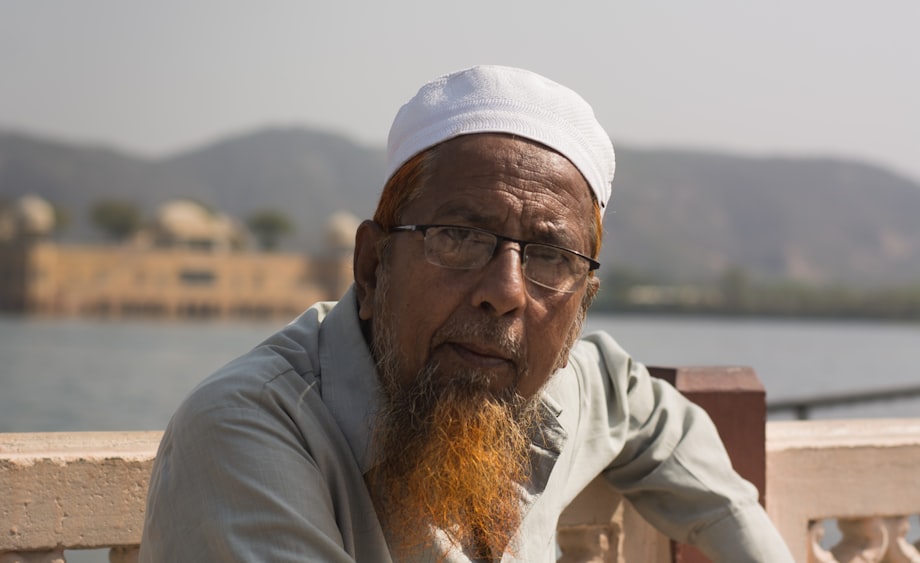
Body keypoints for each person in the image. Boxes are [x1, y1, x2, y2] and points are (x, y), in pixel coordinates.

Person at [138, 65, 795, 562]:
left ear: (579, 311)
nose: (506, 291)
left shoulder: (546, 386)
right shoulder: (247, 433)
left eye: (549, 256)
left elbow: (655, 418)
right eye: (458, 236)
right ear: (372, 268)